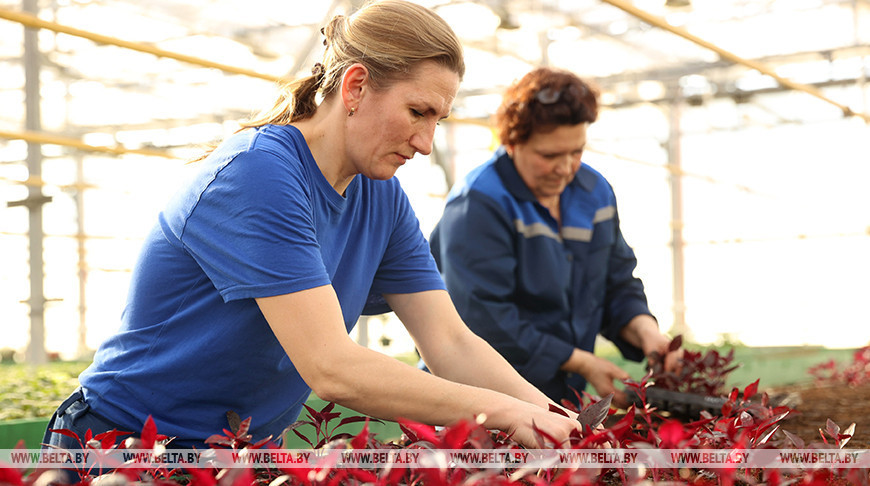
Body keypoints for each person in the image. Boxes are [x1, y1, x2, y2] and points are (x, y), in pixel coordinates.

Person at [42, 0, 584, 454]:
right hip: (122, 444)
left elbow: (449, 341)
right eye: (418, 111)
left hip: (235, 454)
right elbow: (332, 367)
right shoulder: (257, 174)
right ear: (354, 86)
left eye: (437, 120)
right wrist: (501, 412)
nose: (425, 142)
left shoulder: (382, 195)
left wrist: (554, 417)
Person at [427, 67, 681, 409]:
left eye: (576, 151)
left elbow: (615, 282)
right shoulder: (480, 203)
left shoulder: (594, 193)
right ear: (512, 142)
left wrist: (646, 330)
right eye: (549, 156)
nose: (565, 167)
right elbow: (484, 320)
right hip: (482, 398)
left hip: (560, 398)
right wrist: (581, 361)